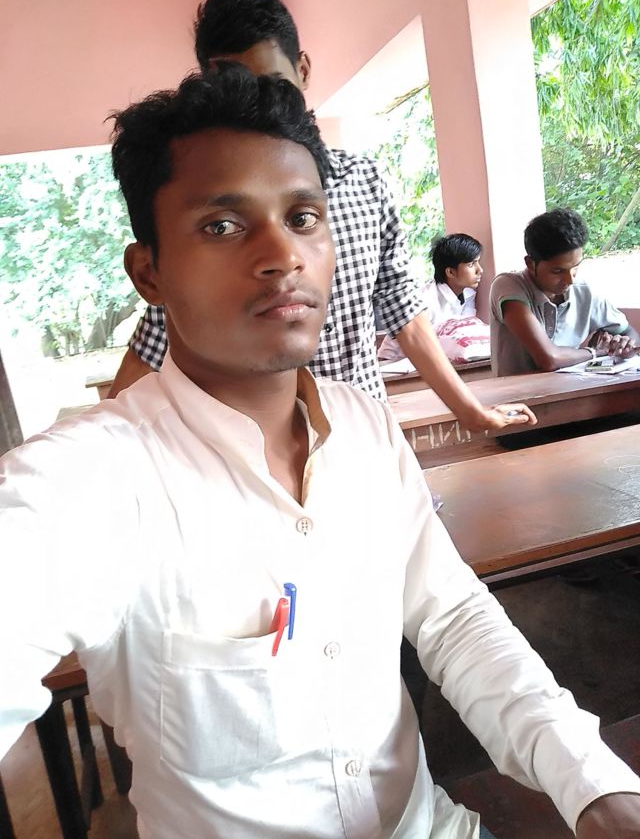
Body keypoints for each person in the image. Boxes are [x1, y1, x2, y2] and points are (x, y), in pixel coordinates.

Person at [1, 69, 639, 839]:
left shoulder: (364, 427)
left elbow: (452, 615)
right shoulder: (92, 481)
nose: (282, 253)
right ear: (149, 274)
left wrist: (591, 782)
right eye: (222, 225)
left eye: (303, 216)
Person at [108, 0, 535, 433]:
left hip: (362, 429)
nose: (260, 107)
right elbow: (152, 343)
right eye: (237, 87)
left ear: (303, 70)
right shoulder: (201, 236)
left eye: (273, 84)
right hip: (247, 443)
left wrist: (470, 410)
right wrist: (105, 436)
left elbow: (402, 309)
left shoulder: (365, 182)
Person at [490, 208, 637, 376]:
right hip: (518, 392)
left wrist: (623, 345)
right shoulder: (508, 286)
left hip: (574, 389)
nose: (570, 280)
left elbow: (629, 332)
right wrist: (596, 352)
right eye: (557, 271)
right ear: (530, 264)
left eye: (575, 267)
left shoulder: (584, 292)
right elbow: (548, 359)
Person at [378, 233, 484, 361]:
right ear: (450, 272)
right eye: (471, 264)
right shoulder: (424, 300)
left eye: (478, 262)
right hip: (398, 364)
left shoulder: (468, 294)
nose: (480, 270)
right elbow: (391, 351)